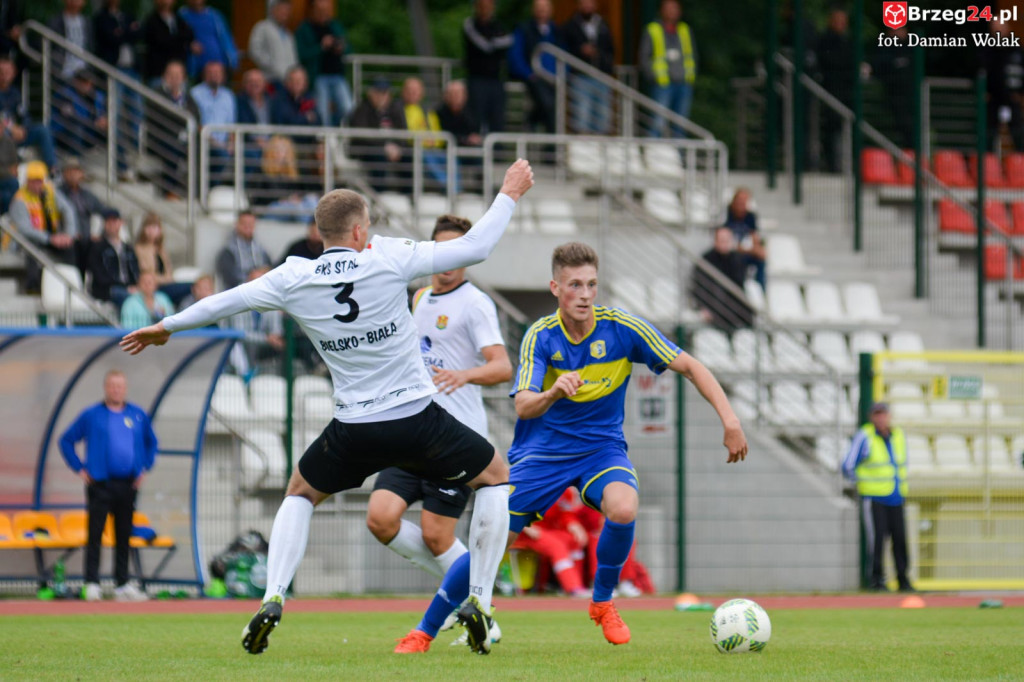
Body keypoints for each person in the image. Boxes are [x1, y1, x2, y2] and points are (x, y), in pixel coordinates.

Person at [120, 159, 536, 657]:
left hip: (353, 425)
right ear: (360, 229)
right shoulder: (388, 258)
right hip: (415, 417)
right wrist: (509, 191)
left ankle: (273, 594)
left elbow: (226, 301)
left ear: (320, 235)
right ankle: (480, 600)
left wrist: (167, 325)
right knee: (495, 475)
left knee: (300, 491)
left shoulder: (294, 276)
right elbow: (477, 247)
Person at [404, 241, 748, 648]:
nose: (585, 294)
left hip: (602, 450)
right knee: (491, 541)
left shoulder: (622, 328)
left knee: (623, 507)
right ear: (555, 288)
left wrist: (730, 421)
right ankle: (423, 631)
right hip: (541, 455)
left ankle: (602, 602)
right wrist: (554, 393)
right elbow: (525, 407)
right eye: (574, 285)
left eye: (591, 285)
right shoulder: (541, 337)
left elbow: (690, 365)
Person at [367, 214, 513, 653]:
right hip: (413, 429)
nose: (447, 263)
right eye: (441, 251)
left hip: (457, 440)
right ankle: (471, 592)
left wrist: (465, 375)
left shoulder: (476, 304)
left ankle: (476, 603)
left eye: (457, 252)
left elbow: (503, 367)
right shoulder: (419, 297)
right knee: (381, 517)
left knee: (436, 535)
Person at [58, 370, 156, 603]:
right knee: (95, 534)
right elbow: (66, 440)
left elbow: (151, 443)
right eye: (112, 386)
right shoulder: (92, 415)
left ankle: (121, 583)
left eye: (120, 386)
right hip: (100, 484)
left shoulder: (137, 415)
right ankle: (92, 582)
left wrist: (144, 467)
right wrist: (80, 468)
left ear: (125, 388)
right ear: (106, 388)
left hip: (127, 485)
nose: (116, 390)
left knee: (123, 534)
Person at [842, 402, 914, 593]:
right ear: (871, 417)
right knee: (877, 540)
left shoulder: (898, 435)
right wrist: (863, 484)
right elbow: (848, 465)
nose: (881, 418)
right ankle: (876, 581)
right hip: (874, 497)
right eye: (877, 414)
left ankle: (903, 580)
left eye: (884, 414)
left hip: (896, 496)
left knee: (900, 539)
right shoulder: (865, 436)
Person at [10, 161, 76, 292]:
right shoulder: (20, 199)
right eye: (33, 181)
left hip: (52, 236)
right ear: (27, 181)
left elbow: (68, 210)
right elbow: (24, 229)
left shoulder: (51, 192)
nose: (37, 185)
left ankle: (72, 283)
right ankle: (33, 286)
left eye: (39, 181)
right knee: (31, 247)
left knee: (71, 248)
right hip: (27, 240)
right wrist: (50, 238)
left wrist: (69, 234)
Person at [639, 0, 697, 138]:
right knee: (658, 123)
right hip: (662, 84)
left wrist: (690, 76)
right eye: (668, 8)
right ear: (661, 11)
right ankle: (653, 154)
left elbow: (693, 55)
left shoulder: (685, 30)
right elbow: (644, 56)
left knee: (681, 124)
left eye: (674, 8)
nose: (672, 12)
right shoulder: (652, 29)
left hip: (684, 84)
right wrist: (652, 76)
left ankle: (679, 157)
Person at [144, 60, 199, 199]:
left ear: (184, 78)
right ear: (164, 76)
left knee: (201, 149)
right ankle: (170, 191)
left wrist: (180, 117)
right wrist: (181, 117)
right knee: (172, 149)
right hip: (160, 139)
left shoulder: (188, 97)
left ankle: (197, 193)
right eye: (171, 74)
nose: (174, 78)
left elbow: (196, 117)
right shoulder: (156, 94)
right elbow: (162, 116)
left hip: (184, 140)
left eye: (178, 75)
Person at [508, 0, 564, 135]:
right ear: (533, 10)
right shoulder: (523, 29)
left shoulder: (557, 31)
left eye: (545, 8)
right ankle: (550, 147)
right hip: (532, 78)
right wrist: (529, 74)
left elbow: (564, 56)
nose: (542, 11)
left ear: (551, 10)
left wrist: (561, 75)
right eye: (539, 8)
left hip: (553, 80)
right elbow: (515, 56)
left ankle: (533, 122)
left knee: (552, 107)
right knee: (548, 105)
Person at [296, 0, 353, 126]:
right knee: (323, 113)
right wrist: (321, 47)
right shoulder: (304, 29)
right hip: (318, 77)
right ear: (313, 10)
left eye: (326, 10)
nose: (324, 13)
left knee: (349, 108)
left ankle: (340, 137)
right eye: (320, 10)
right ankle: (326, 142)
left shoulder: (335, 26)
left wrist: (341, 48)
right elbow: (302, 55)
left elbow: (348, 48)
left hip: (338, 76)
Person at [563, 0, 616, 135]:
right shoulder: (570, 26)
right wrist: (580, 51)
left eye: (590, 3)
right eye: (584, 3)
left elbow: (611, 49)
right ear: (578, 5)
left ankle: (600, 151)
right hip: (580, 76)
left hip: (601, 76)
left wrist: (601, 56)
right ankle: (583, 150)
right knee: (582, 115)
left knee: (603, 117)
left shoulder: (603, 25)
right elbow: (564, 50)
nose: (587, 6)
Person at [349, 79, 408, 194]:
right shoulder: (362, 109)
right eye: (378, 92)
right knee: (378, 157)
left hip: (392, 150)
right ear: (370, 93)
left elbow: (403, 132)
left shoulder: (395, 109)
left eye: (385, 92)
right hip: (367, 150)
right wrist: (385, 146)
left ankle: (409, 194)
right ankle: (379, 194)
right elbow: (362, 135)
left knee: (410, 156)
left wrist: (397, 147)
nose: (382, 96)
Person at [462, 0, 512, 135]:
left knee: (498, 121)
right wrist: (494, 44)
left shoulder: (499, 25)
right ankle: (477, 154)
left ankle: (498, 155)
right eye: (482, 4)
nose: (486, 8)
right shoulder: (470, 24)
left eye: (489, 4)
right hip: (477, 80)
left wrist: (492, 44)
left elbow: (508, 42)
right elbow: (484, 46)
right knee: (476, 120)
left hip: (496, 80)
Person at [691, 226, 754, 331]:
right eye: (721, 240)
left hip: (734, 306)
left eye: (727, 240)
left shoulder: (737, 259)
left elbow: (740, 286)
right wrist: (702, 307)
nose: (724, 243)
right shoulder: (706, 260)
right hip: (713, 305)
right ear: (715, 241)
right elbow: (699, 286)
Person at [0, 57, 56, 170]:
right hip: (4, 132)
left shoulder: (14, 92)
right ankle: (13, 164)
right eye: (1, 72)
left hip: (18, 132)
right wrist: (12, 128)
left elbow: (23, 114)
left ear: (14, 73)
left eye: (8, 72)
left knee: (42, 130)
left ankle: (52, 168)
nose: (5, 75)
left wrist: (23, 128)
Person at [816, 8, 853, 173]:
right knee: (831, 130)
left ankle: (843, 164)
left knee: (843, 129)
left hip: (845, 94)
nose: (842, 24)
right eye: (838, 20)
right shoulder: (825, 41)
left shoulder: (847, 41)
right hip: (831, 92)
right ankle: (833, 164)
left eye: (844, 21)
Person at [56, 158, 107, 273]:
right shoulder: (58, 193)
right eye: (70, 171)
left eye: (77, 171)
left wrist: (98, 233)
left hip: (87, 237)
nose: (74, 175)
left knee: (101, 246)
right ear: (64, 174)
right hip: (68, 236)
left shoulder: (87, 195)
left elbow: (103, 211)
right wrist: (69, 232)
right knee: (72, 247)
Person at [189, 61, 236, 179]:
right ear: (204, 75)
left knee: (248, 155)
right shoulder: (195, 93)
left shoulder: (228, 95)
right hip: (203, 141)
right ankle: (210, 190)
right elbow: (195, 123)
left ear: (223, 76)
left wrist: (232, 143)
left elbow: (232, 125)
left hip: (225, 145)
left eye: (218, 72)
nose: (215, 75)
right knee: (221, 156)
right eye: (211, 72)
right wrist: (215, 143)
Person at [133, 212, 191, 305]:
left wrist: (167, 278)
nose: (152, 231)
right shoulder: (140, 249)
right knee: (191, 287)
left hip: (166, 283)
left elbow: (168, 271)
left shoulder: (161, 250)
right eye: (149, 227)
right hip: (154, 286)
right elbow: (147, 272)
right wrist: (165, 279)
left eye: (155, 227)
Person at [401, 77, 448, 189]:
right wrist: (425, 142)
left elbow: (438, 135)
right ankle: (447, 186)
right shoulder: (399, 110)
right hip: (414, 149)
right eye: (410, 90)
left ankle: (456, 188)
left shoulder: (429, 112)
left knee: (452, 156)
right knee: (427, 156)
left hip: (433, 149)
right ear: (404, 92)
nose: (413, 93)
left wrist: (434, 142)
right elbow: (405, 134)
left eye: (416, 90)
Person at [88, 208, 139, 307]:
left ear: (121, 223)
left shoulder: (128, 248)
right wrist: (125, 287)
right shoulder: (97, 248)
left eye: (114, 221)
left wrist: (135, 286)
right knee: (131, 299)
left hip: (128, 289)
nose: (112, 225)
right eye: (108, 222)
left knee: (153, 298)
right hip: (106, 290)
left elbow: (136, 271)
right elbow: (100, 277)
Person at [52, 68, 108, 154]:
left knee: (112, 127)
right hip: (64, 132)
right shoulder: (65, 94)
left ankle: (122, 165)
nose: (87, 85)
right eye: (84, 82)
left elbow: (102, 112)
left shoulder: (97, 96)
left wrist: (104, 119)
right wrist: (93, 124)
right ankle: (75, 159)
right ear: (76, 81)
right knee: (77, 129)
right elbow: (71, 116)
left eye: (89, 82)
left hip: (90, 131)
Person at [141, 0, 196, 86]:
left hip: (179, 72)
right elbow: (161, 41)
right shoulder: (151, 21)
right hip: (159, 73)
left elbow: (189, 35)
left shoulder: (179, 19)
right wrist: (179, 40)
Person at [178, 0, 238, 80]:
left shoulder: (215, 16)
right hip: (196, 70)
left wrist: (233, 61)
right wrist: (189, 45)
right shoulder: (182, 16)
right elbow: (178, 40)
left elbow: (226, 39)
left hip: (220, 68)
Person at [215, 211, 272, 290]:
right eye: (244, 223)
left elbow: (270, 269)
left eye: (251, 224)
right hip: (238, 293)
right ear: (237, 224)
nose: (248, 227)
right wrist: (251, 278)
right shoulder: (228, 251)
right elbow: (229, 278)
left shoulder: (261, 249)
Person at [248, 1, 298, 87]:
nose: (285, 13)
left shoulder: (288, 33)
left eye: (287, 10)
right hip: (270, 80)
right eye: (282, 9)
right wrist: (273, 66)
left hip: (288, 82)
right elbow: (255, 50)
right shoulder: (262, 27)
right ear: (272, 10)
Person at [724, 188, 766, 291]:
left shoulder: (750, 216)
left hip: (744, 250)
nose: (742, 203)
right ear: (734, 200)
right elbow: (725, 240)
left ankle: (760, 291)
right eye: (740, 199)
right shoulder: (726, 214)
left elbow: (754, 237)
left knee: (761, 259)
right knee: (736, 259)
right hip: (729, 253)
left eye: (745, 200)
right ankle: (740, 292)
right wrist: (747, 249)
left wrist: (758, 250)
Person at [48, 0, 92, 79]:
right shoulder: (55, 22)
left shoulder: (87, 22)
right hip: (63, 73)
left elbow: (91, 48)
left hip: (84, 73)